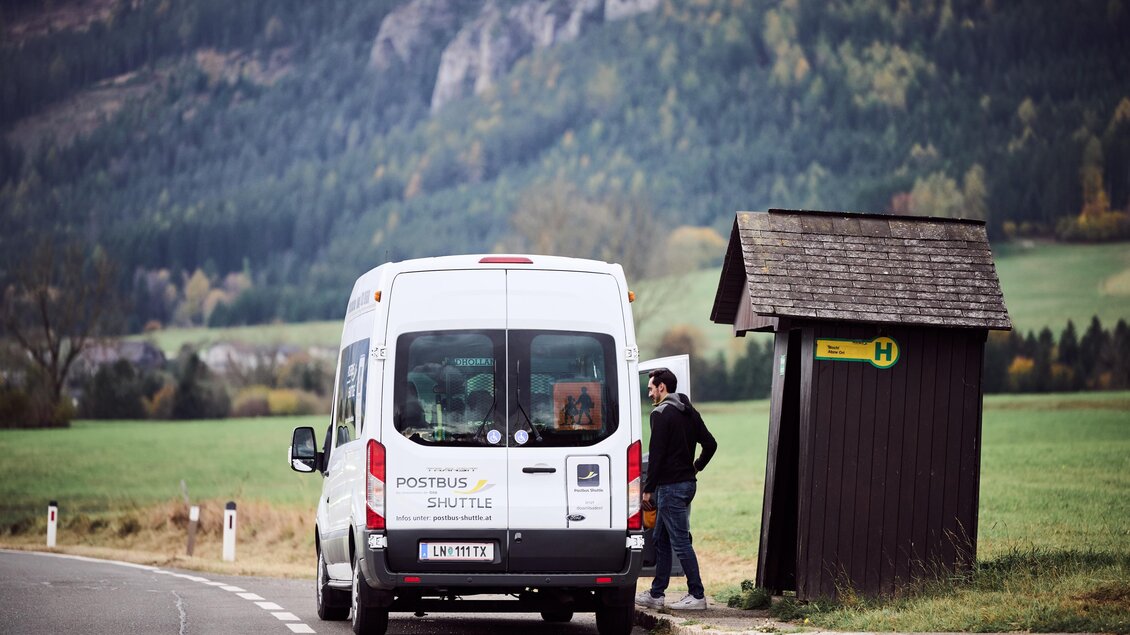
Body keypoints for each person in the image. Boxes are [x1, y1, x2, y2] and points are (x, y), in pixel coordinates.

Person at [636, 368, 718, 611]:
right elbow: (711, 444)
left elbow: (657, 456)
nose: (649, 392)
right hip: (686, 484)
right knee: (660, 538)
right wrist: (695, 468)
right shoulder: (689, 411)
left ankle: (697, 595)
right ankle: (656, 594)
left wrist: (648, 489)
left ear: (662, 387)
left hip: (670, 488)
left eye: (651, 387)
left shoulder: (661, 414)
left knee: (680, 542)